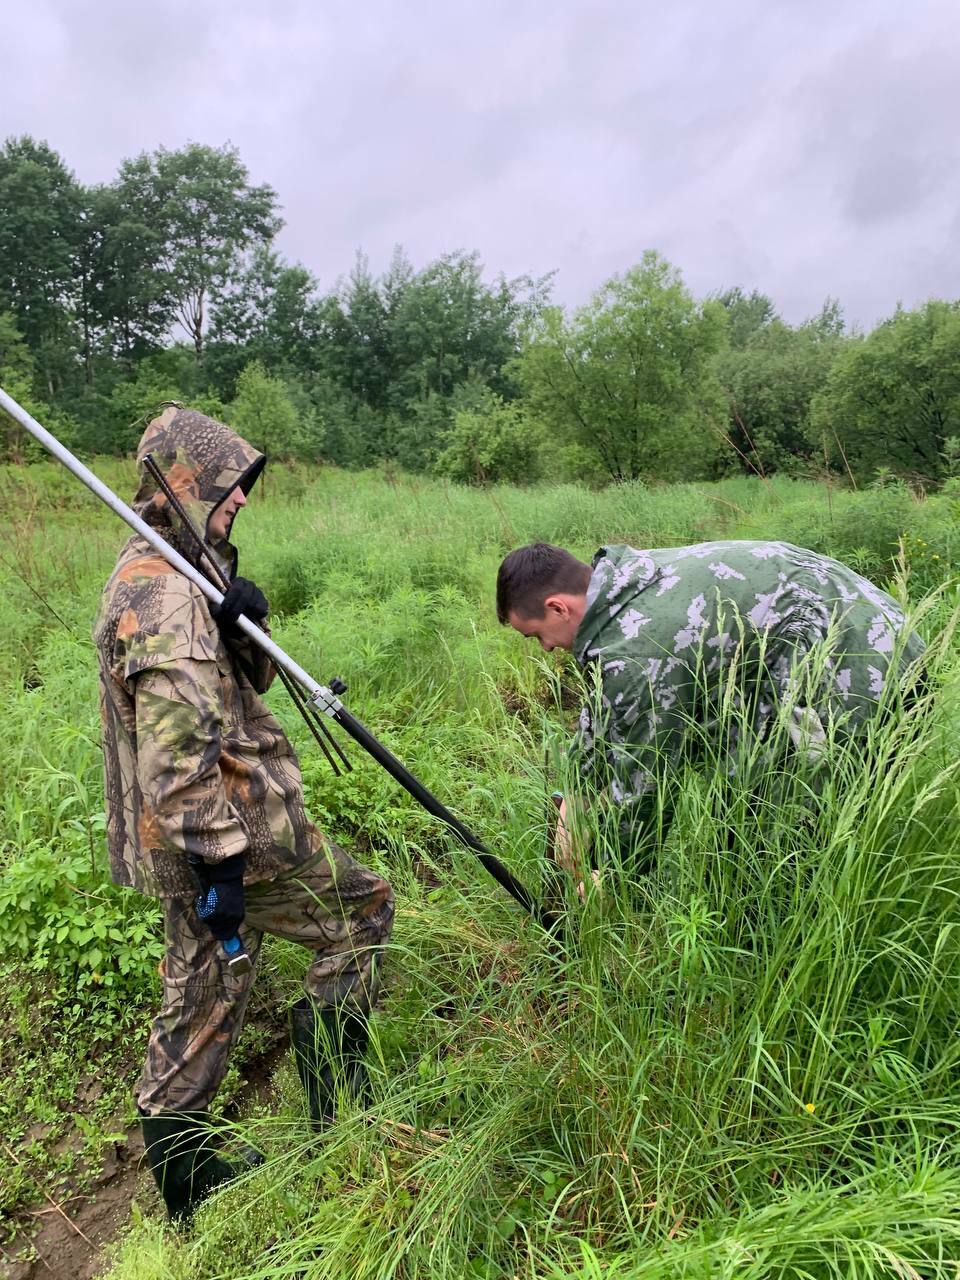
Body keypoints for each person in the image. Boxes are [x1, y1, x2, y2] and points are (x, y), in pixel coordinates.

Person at [94, 406, 394, 1222]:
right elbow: (174, 753)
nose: (244, 501)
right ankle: (341, 1108)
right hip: (234, 836)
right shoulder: (161, 601)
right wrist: (222, 862)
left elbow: (241, 688)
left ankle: (187, 1188)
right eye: (232, 487)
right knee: (361, 909)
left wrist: (247, 625)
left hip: (196, 845)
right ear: (186, 486)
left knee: (201, 1001)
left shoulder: (185, 572)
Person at [496, 540, 926, 891]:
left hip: (866, 676)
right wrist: (575, 799)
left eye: (535, 636)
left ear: (557, 608)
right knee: (747, 801)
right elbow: (608, 714)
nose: (546, 648)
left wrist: (612, 880)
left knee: (791, 841)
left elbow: (646, 779)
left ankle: (787, 943)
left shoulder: (636, 644)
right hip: (853, 643)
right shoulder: (624, 585)